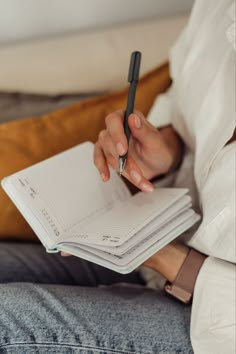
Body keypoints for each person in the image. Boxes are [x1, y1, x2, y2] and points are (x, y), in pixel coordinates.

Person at [0, 0, 235, 353]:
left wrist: (163, 256)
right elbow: (180, 92)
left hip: (211, 324)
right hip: (156, 247)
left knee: (6, 317)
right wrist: (164, 148)